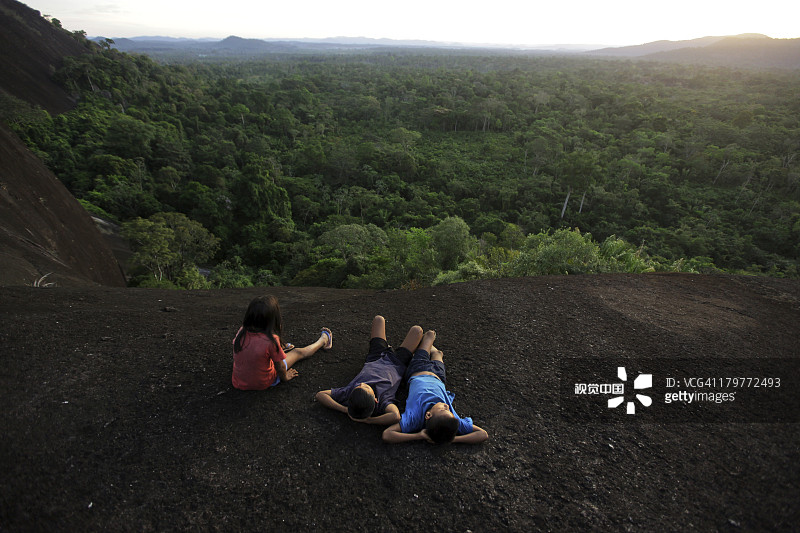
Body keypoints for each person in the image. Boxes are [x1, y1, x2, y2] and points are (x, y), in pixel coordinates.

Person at [382, 330, 488, 444]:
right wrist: (452, 439)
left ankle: (422, 343)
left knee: (429, 335)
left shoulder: (414, 419)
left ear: (428, 415)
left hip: (418, 369)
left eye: (443, 409)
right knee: (438, 353)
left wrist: (418, 435)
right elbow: (483, 434)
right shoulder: (450, 421)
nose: (447, 406)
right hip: (438, 375)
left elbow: (387, 434)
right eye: (449, 410)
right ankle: (427, 348)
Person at [316, 315, 423, 425]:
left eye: (358, 386)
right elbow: (395, 416)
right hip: (397, 362)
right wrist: (369, 420)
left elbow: (320, 394)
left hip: (375, 357)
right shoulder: (384, 400)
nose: (362, 384)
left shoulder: (350, 392)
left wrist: (345, 410)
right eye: (366, 387)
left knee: (379, 319)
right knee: (417, 330)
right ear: (375, 399)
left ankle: (388, 346)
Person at [231, 295, 332, 390]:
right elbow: (280, 367)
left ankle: (281, 348)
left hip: (239, 382)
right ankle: (323, 341)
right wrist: (285, 377)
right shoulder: (270, 340)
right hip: (263, 382)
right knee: (298, 352)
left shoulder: (242, 331)